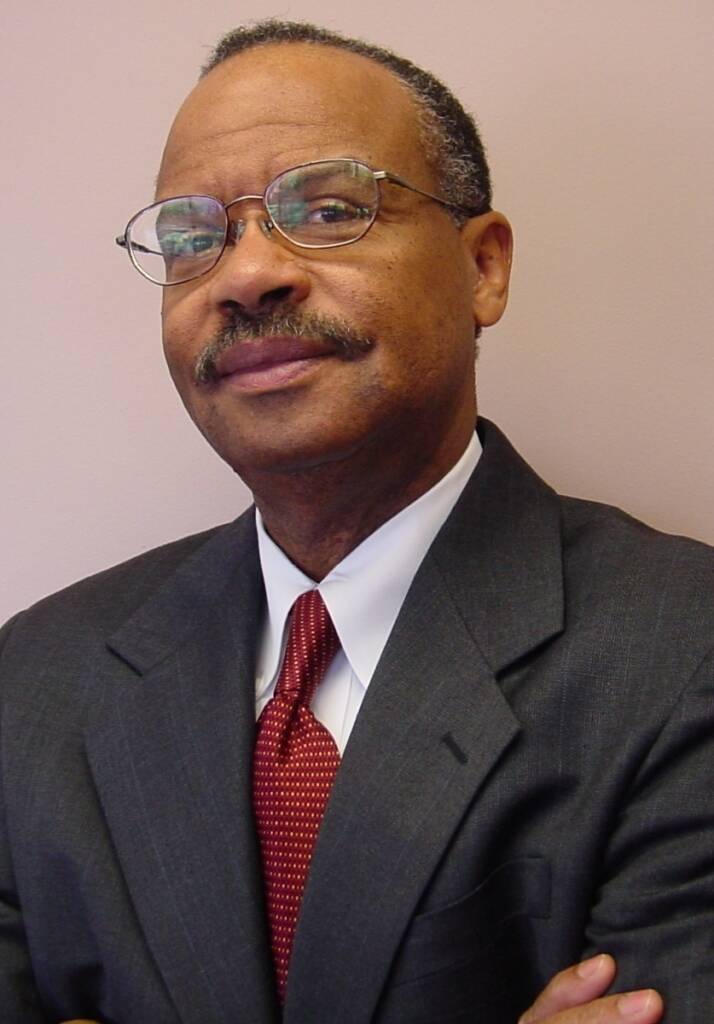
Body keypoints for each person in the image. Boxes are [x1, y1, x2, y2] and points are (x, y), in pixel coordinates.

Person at [1, 18, 712, 1024]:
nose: (245, 276)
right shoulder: (33, 685)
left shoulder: (686, 649)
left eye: (327, 208)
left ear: (484, 268)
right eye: (194, 236)